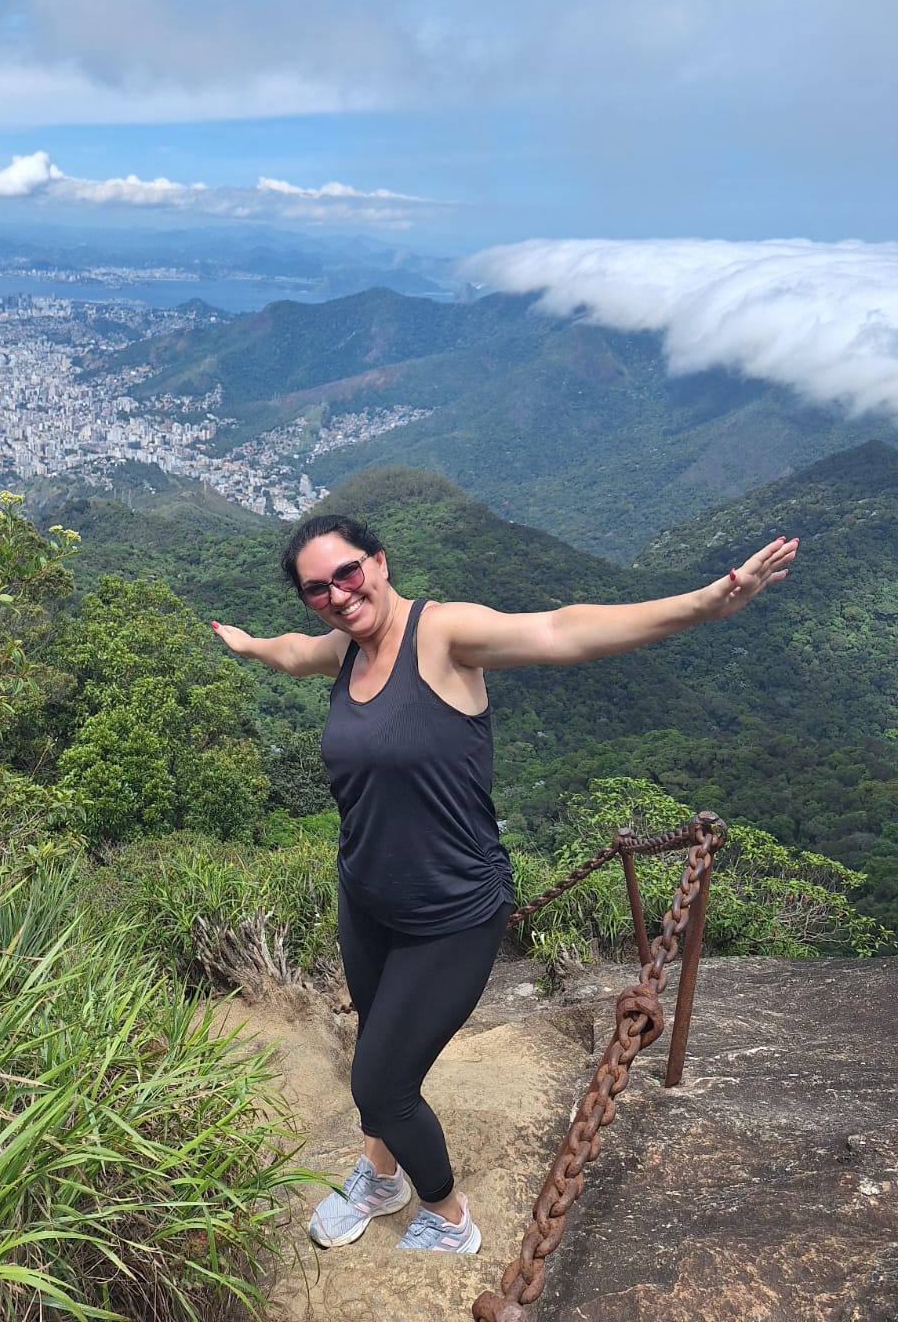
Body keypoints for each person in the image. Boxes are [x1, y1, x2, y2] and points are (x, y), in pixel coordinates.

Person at [211, 513, 798, 1256]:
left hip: (452, 912)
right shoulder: (342, 653)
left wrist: (701, 604)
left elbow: (560, 631)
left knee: (381, 1086)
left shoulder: (444, 635)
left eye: (348, 573)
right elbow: (292, 653)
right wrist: (246, 644)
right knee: (376, 1035)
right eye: (317, 588)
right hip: (366, 898)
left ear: (381, 563)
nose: (336, 594)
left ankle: (448, 1217)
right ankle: (379, 1172)